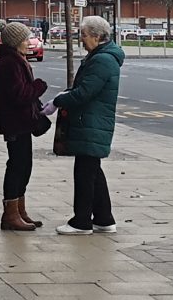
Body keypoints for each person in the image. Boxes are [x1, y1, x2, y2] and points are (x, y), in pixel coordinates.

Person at [51, 16, 123, 234]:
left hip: (91, 121)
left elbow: (84, 93)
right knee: (92, 170)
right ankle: (103, 218)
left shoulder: (102, 60)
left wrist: (58, 100)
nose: (81, 39)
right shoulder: (101, 56)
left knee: (84, 173)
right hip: (92, 121)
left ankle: (81, 221)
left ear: (97, 36)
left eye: (83, 35)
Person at [0, 21, 46, 231]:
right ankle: (11, 214)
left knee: (24, 166)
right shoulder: (9, 63)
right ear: (15, 43)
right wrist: (38, 86)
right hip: (15, 123)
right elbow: (20, 95)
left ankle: (19, 210)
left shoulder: (15, 59)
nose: (29, 42)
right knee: (17, 166)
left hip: (21, 123)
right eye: (25, 39)